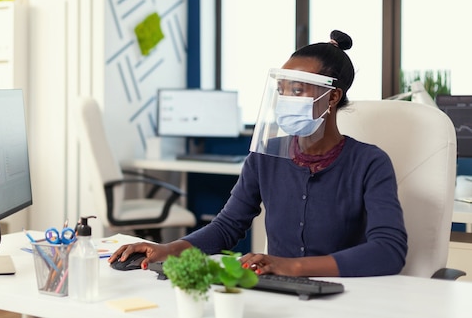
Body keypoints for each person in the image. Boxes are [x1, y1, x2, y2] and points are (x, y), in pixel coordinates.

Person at [110, 30, 408, 278]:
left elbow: (389, 250)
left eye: (297, 90)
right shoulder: (265, 157)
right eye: (282, 90)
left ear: (332, 96)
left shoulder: (370, 162)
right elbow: (227, 227)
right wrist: (166, 249)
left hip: (347, 297)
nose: (285, 99)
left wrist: (291, 267)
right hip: (279, 291)